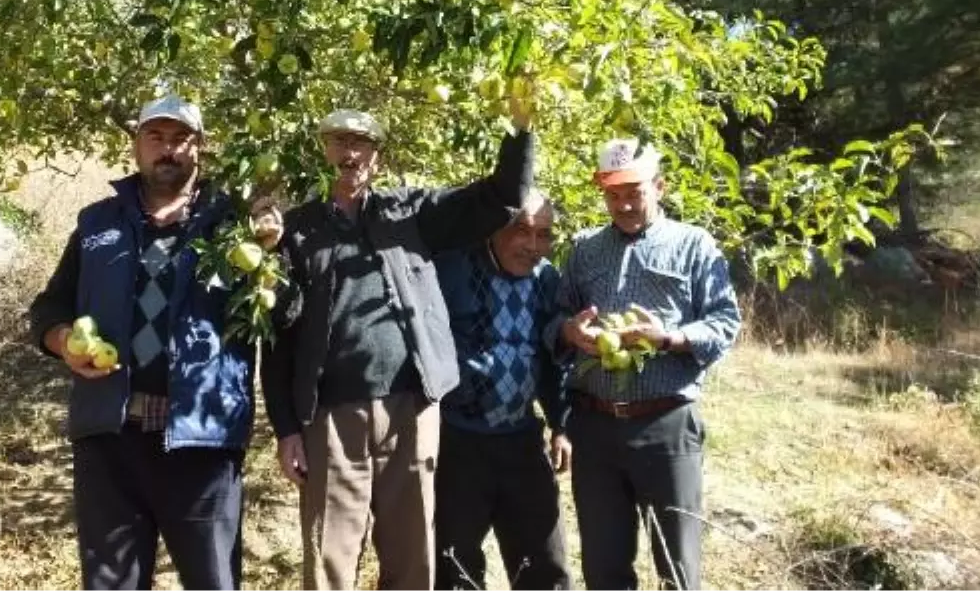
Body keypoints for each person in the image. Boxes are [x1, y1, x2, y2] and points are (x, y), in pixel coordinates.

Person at [262, 96, 536, 590]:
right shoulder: (296, 230)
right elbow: (278, 335)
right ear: (323, 150)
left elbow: (501, 199)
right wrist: (286, 429)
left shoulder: (410, 212)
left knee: (412, 557)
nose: (351, 153)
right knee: (329, 560)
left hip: (410, 408)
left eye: (362, 143)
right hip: (330, 417)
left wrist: (520, 126)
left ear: (379, 156)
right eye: (340, 141)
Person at [28, 94, 281, 590]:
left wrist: (271, 255)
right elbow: (49, 306)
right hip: (110, 438)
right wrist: (63, 342)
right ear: (136, 145)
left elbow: (282, 312)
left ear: (200, 148)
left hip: (202, 438)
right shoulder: (97, 223)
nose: (168, 149)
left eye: (182, 138)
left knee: (213, 581)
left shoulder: (235, 226)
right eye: (156, 136)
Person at [550, 137, 741, 590]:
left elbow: (725, 322)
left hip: (666, 425)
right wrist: (569, 332)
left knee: (677, 567)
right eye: (613, 194)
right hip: (595, 429)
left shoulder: (694, 245)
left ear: (659, 186)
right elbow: (556, 316)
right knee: (604, 568)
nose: (624, 205)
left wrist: (669, 338)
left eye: (634, 192)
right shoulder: (584, 249)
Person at [432, 189, 573, 590]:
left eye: (544, 235)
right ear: (494, 228)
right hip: (456, 441)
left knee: (545, 567)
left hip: (521, 439)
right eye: (522, 230)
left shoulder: (547, 279)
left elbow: (554, 359)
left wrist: (561, 423)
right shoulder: (451, 269)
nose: (533, 245)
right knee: (454, 565)